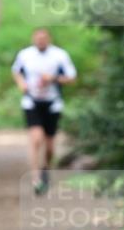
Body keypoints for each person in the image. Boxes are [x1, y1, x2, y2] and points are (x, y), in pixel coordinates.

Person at [12, 28, 77, 195]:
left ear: (49, 39)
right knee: (36, 139)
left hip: (52, 103)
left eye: (43, 38)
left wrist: (53, 79)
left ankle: (45, 168)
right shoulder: (25, 54)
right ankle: (36, 179)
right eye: (37, 38)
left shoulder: (60, 55)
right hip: (31, 102)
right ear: (33, 39)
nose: (40, 41)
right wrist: (21, 84)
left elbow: (71, 78)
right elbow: (16, 72)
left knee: (49, 147)